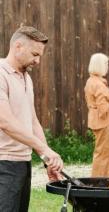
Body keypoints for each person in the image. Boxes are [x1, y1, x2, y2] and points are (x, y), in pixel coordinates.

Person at [0, 26, 63, 212]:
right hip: (3, 164)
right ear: (18, 46)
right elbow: (5, 121)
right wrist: (43, 148)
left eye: (40, 56)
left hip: (22, 163)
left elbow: (33, 121)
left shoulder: (26, 78)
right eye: (35, 54)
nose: (37, 61)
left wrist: (46, 158)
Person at [84, 53, 109, 177]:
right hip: (103, 121)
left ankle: (104, 178)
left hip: (98, 120)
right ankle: (99, 181)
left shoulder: (92, 80)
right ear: (99, 65)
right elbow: (102, 108)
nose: (107, 67)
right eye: (106, 64)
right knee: (104, 153)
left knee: (103, 152)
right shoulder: (98, 84)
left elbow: (97, 101)